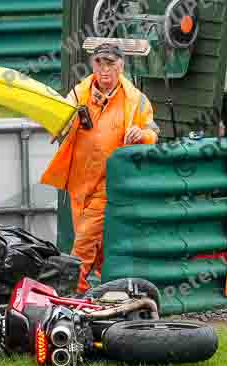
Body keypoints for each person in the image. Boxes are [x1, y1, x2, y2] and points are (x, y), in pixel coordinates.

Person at [41, 43, 159, 293]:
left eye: (111, 64)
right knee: (99, 246)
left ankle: (72, 292)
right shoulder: (77, 94)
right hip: (78, 182)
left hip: (109, 183)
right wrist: (60, 127)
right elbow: (58, 125)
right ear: (92, 65)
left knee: (82, 244)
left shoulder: (135, 100)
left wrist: (142, 135)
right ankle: (111, 294)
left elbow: (154, 132)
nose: (104, 70)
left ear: (121, 66)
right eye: (99, 63)